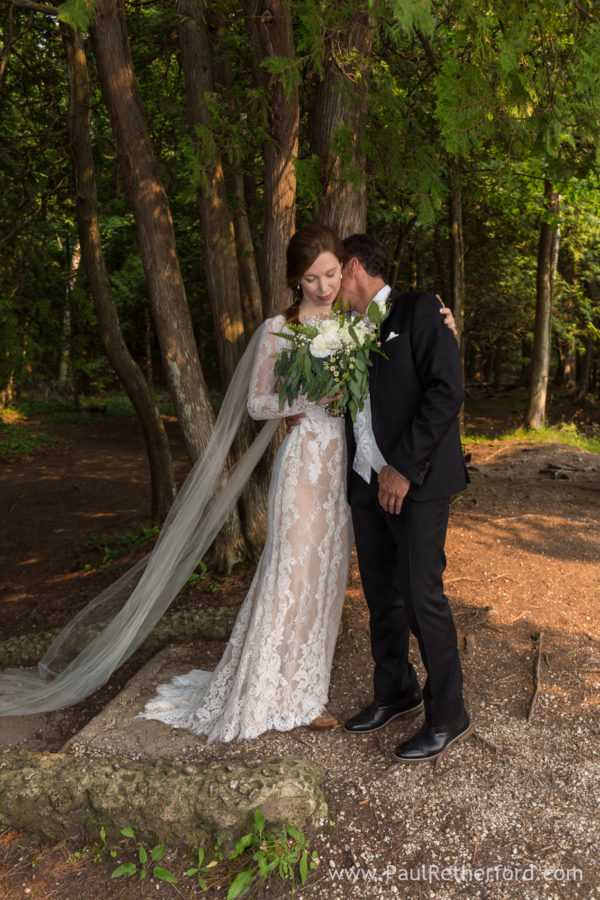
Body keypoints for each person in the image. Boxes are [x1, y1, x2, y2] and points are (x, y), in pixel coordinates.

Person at [340, 233, 470, 763]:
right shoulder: (343, 330)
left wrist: (404, 469)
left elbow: (447, 390)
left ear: (352, 268)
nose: (330, 287)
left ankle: (449, 713)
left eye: (334, 275)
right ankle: (395, 690)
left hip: (415, 483)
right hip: (365, 483)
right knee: (381, 597)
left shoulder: (419, 310)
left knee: (421, 598)